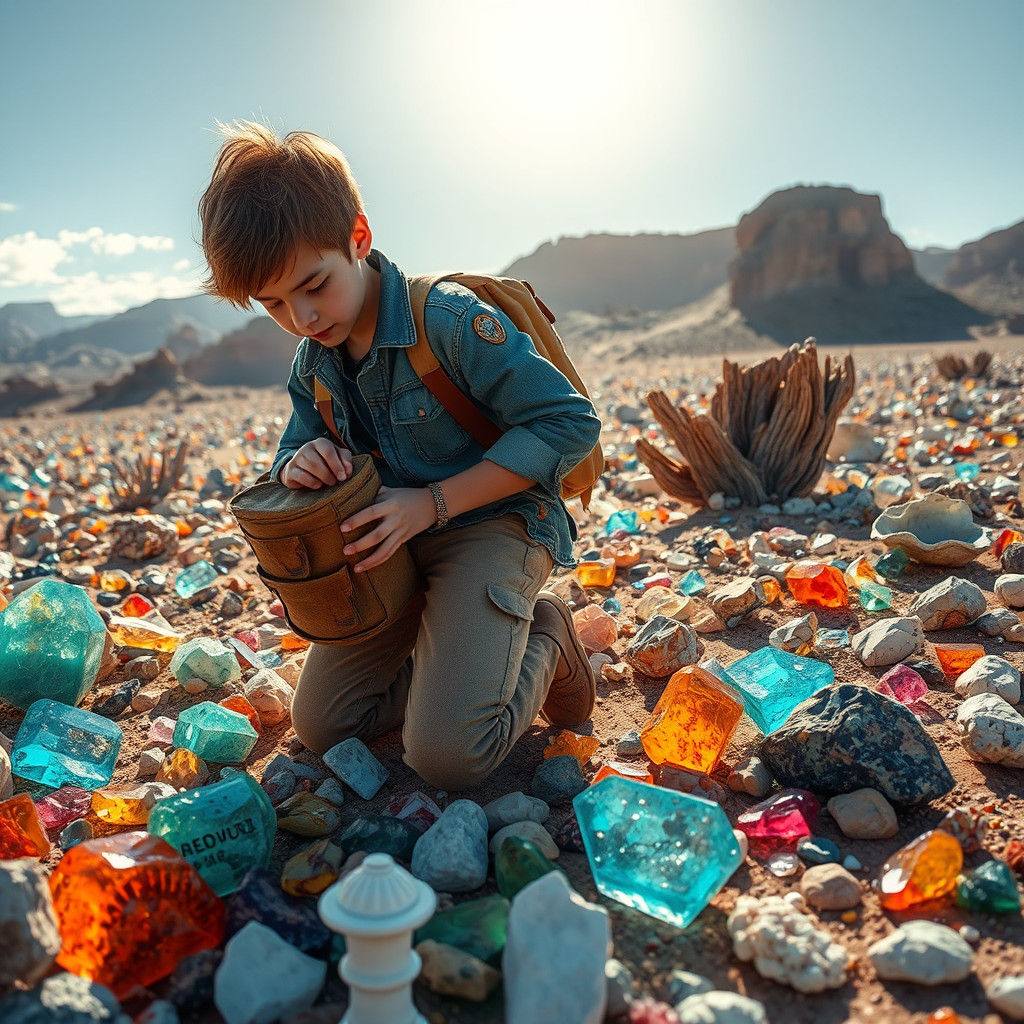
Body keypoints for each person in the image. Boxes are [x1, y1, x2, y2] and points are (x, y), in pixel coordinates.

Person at [198, 121, 602, 789]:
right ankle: (454, 656)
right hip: (392, 551)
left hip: (493, 525)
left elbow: (568, 422)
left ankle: (548, 638)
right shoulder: (313, 364)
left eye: (313, 285)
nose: (300, 316)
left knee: (448, 757)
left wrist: (434, 502)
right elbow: (298, 447)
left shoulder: (447, 321)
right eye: (272, 303)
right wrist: (297, 466)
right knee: (325, 726)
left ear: (358, 238)